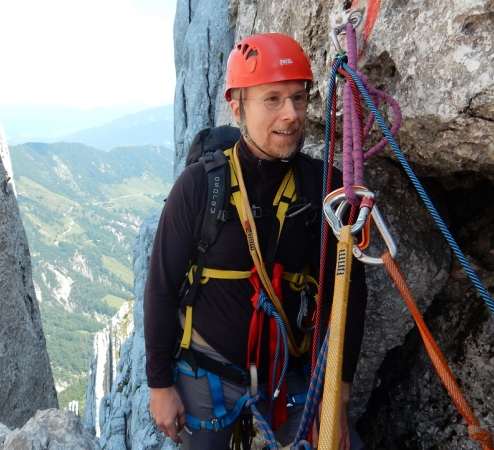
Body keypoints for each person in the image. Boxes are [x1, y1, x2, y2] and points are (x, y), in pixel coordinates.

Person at [144, 33, 368, 450]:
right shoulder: (199, 187)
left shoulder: (324, 187)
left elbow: (348, 294)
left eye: (298, 99)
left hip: (292, 371)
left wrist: (337, 392)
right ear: (237, 106)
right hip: (207, 369)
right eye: (272, 99)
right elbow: (161, 286)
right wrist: (160, 385)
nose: (290, 115)